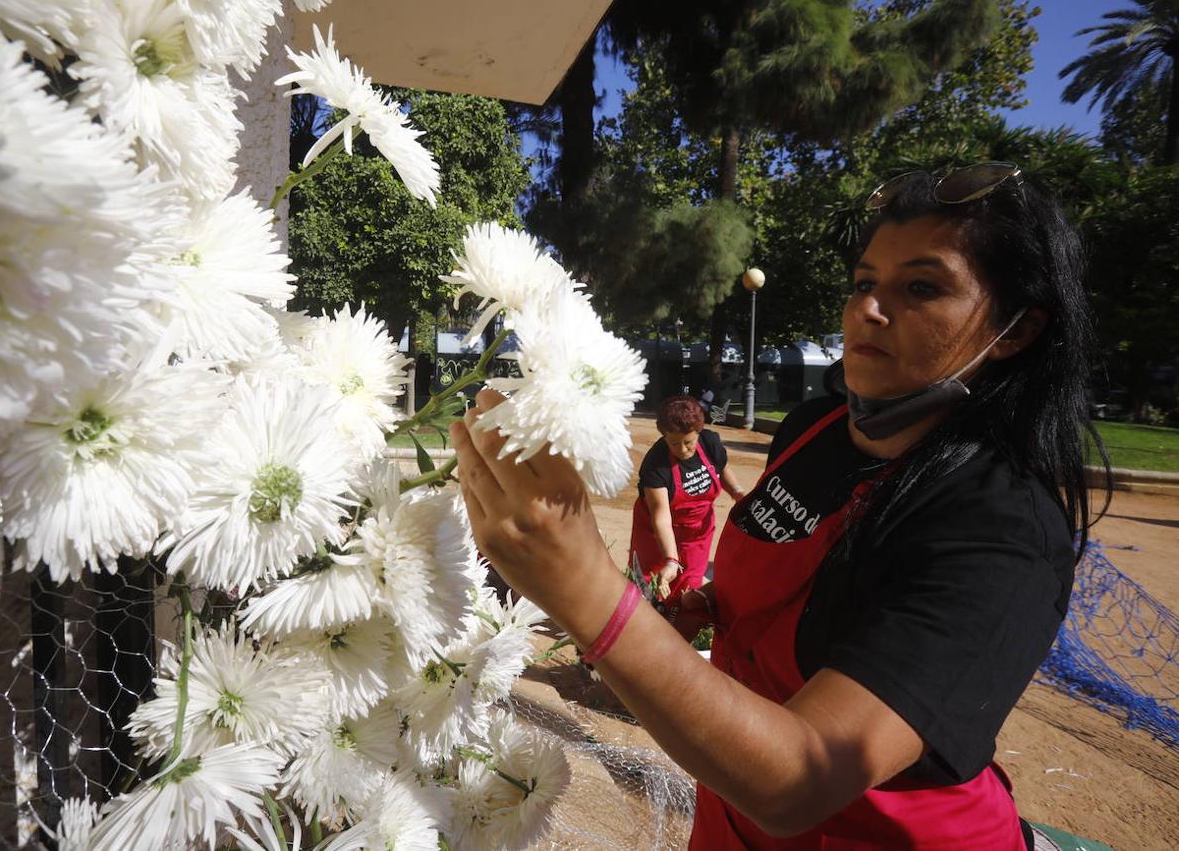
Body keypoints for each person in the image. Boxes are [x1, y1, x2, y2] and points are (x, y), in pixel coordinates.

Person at [449, 163, 1109, 849]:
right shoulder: (815, 428)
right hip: (730, 814)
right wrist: (709, 610)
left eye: (921, 286)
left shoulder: (1002, 529)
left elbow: (802, 781)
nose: (869, 309)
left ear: (1020, 328)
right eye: (864, 283)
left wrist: (585, 588)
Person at [631, 395, 746, 603]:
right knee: (651, 588)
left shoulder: (710, 442)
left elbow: (723, 468)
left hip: (697, 532)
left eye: (689, 442)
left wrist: (737, 493)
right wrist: (671, 560)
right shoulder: (655, 464)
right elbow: (661, 518)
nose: (683, 450)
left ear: (698, 433)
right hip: (655, 534)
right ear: (664, 436)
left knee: (689, 589)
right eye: (674, 443)